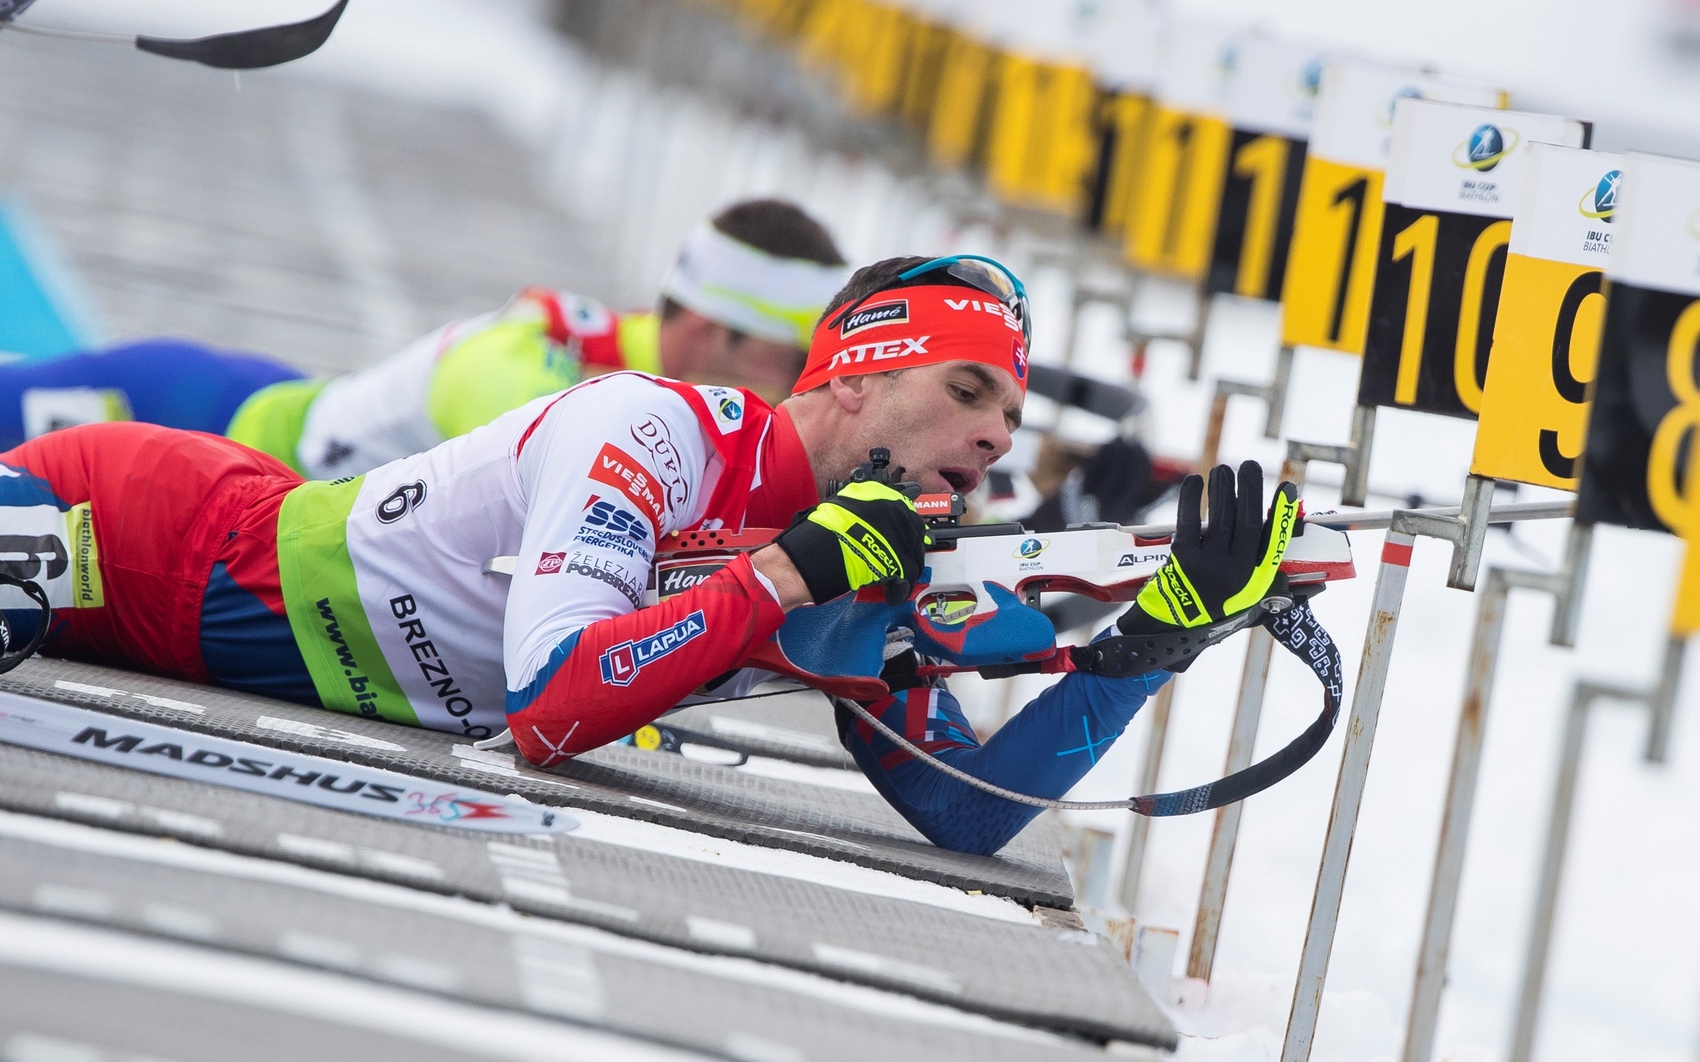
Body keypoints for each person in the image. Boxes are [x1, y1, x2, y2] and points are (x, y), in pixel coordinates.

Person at [0, 254, 1295, 856]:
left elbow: (965, 813)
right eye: (968, 392)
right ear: (855, 373)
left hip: (222, 633)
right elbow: (551, 706)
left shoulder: (869, 564)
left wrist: (1152, 640)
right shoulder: (652, 428)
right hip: (141, 532)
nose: (998, 436)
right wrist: (784, 575)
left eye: (1008, 415)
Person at [0, 198, 849, 478]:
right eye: (791, 360)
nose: (798, 386)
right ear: (705, 330)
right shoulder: (528, 364)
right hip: (184, 424)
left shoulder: (647, 382)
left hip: (240, 442)